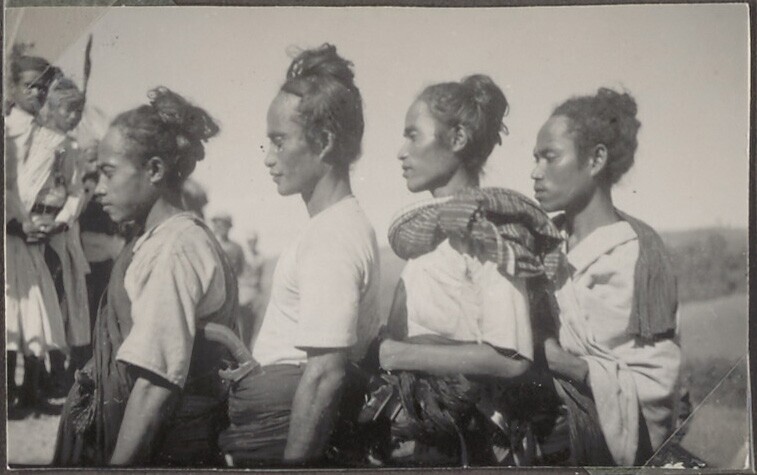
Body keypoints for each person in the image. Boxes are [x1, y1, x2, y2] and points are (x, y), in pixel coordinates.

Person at [365, 75, 563, 466]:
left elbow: (511, 359)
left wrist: (395, 353)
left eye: (413, 136)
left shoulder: (491, 233)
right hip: (431, 434)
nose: (402, 152)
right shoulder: (434, 233)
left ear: (457, 138)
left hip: (475, 443)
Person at [54, 86, 238, 467]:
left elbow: (156, 384)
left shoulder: (176, 248)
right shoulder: (151, 240)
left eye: (109, 173)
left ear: (154, 170)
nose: (99, 189)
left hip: (163, 453)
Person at [218, 44, 381, 466]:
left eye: (279, 142)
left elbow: (325, 374)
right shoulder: (329, 227)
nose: (268, 159)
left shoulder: (333, 236)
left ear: (324, 142)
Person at [531, 88, 681, 465]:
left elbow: (655, 390)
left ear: (596, 159)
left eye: (550, 157)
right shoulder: (539, 244)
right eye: (535, 158)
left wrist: (557, 360)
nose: (535, 172)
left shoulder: (638, 257)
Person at [5, 54, 70, 411]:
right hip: (8, 232)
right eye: (29, 85)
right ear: (12, 87)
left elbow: (55, 188)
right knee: (9, 309)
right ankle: (8, 393)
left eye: (43, 87)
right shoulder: (6, 129)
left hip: (32, 234)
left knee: (35, 311)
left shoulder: (51, 140)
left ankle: (31, 391)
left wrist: (48, 222)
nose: (37, 93)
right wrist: (11, 223)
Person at [34, 75, 93, 393]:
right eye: (67, 110)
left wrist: (61, 221)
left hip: (57, 230)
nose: (73, 117)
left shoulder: (72, 148)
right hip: (29, 224)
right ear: (52, 108)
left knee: (58, 300)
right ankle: (33, 375)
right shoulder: (33, 139)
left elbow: (76, 192)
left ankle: (56, 372)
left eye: (78, 112)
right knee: (34, 301)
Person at [237, 229, 266, 347]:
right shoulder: (243, 256)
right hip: (243, 292)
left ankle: (248, 348)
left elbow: (260, 277)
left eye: (253, 241)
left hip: (254, 294)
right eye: (250, 241)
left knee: (252, 326)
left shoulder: (260, 257)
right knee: (242, 326)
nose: (252, 243)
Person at [211, 212, 246, 277]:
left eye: (225, 225)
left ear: (229, 227)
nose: (222, 228)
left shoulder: (237, 248)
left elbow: (241, 270)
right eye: (219, 226)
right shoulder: (210, 245)